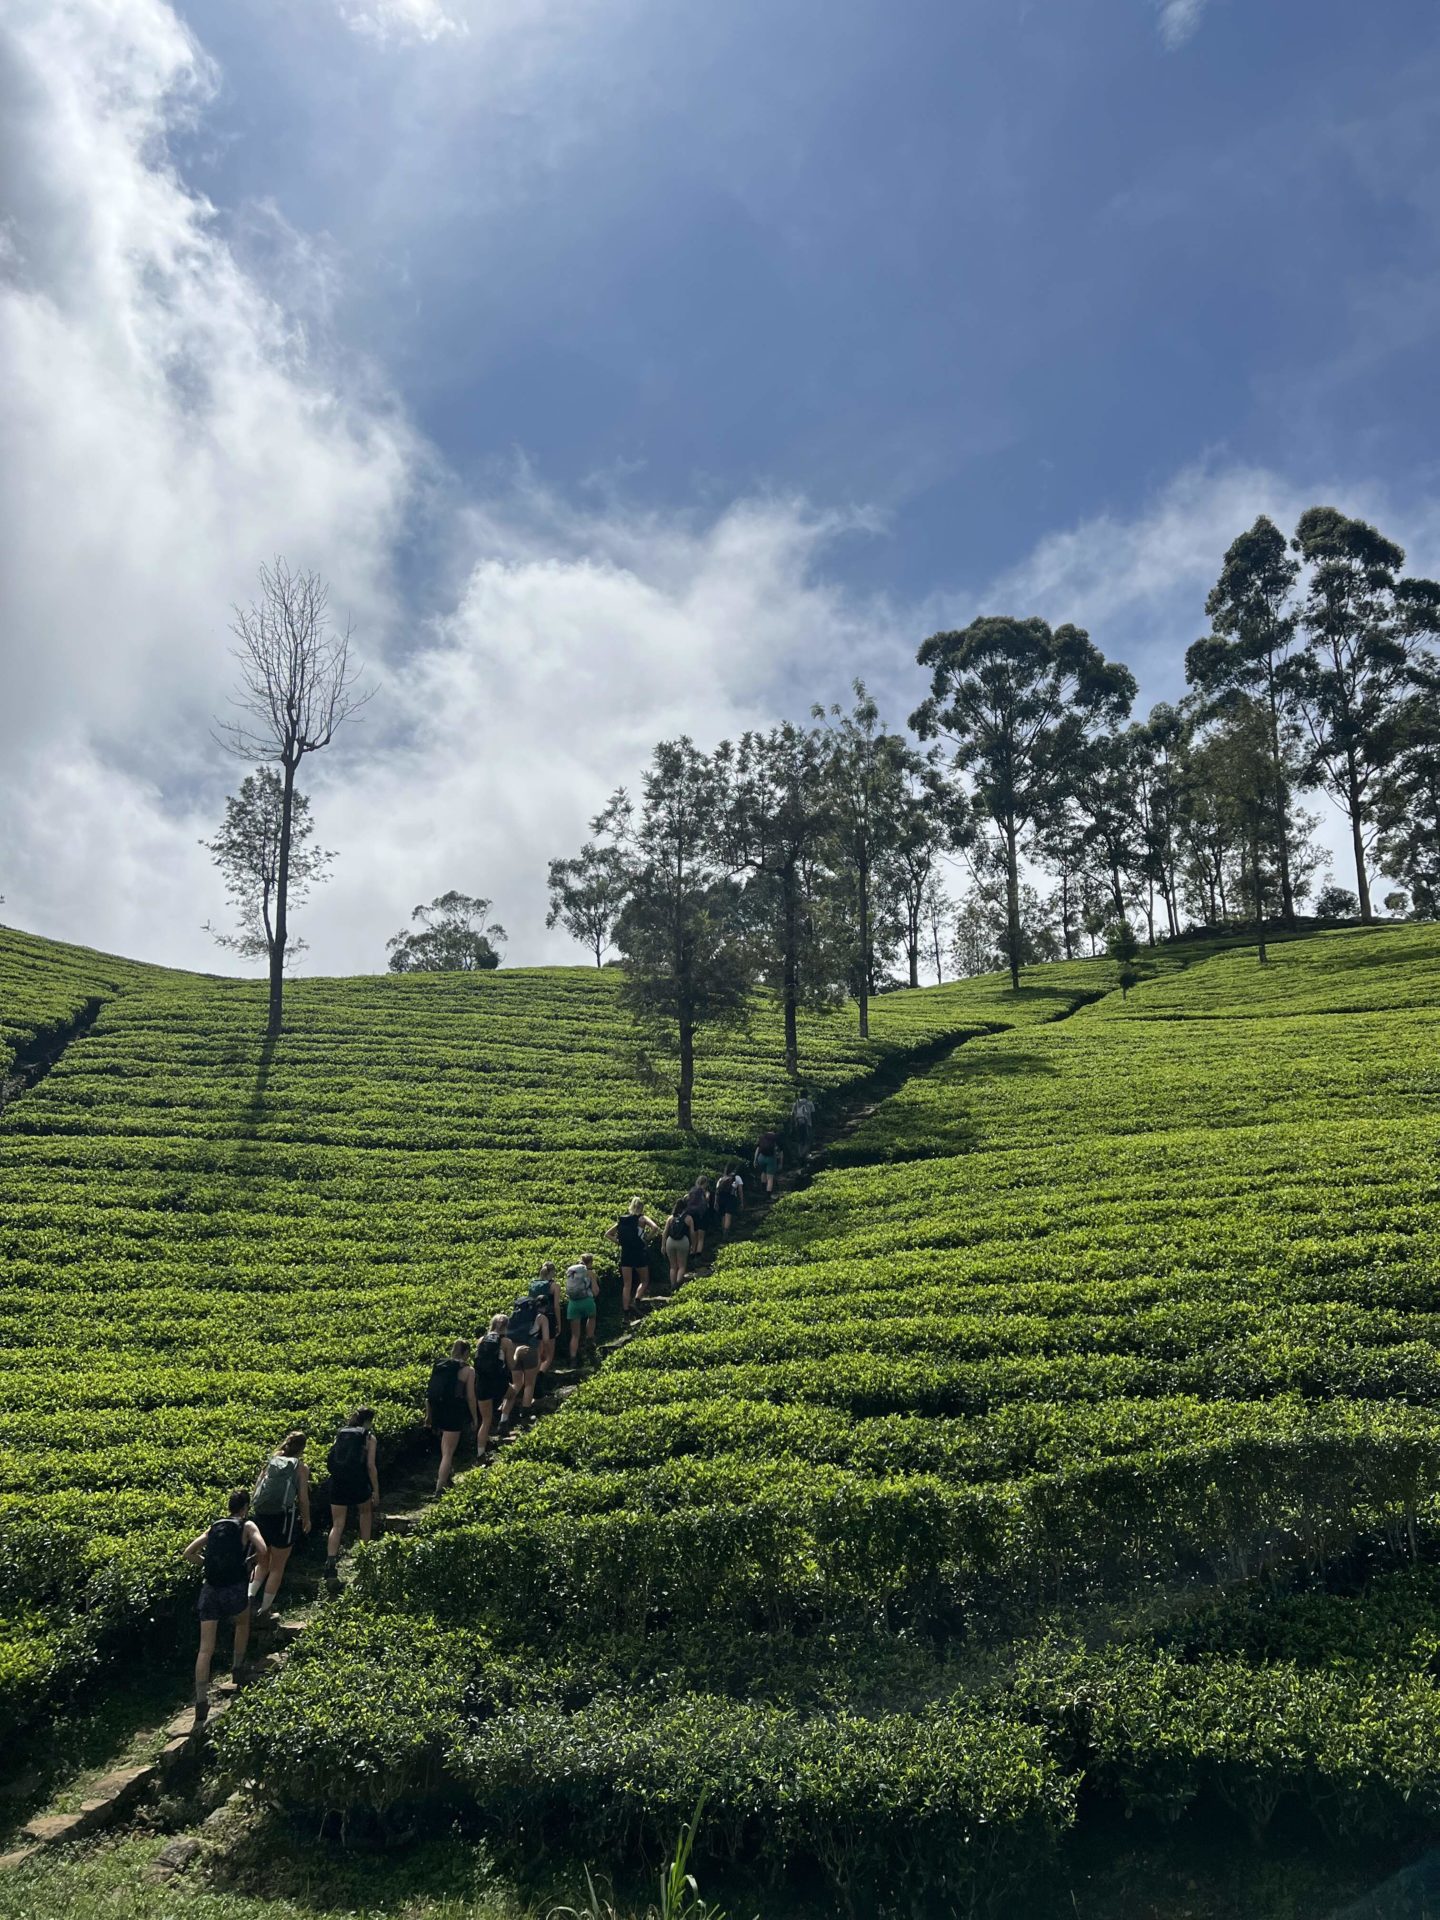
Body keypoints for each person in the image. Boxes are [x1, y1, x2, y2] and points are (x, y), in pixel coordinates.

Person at [183, 1489, 268, 1723]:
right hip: (234, 1587)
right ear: (245, 1507)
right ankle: (237, 1668)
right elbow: (262, 1550)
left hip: (210, 1589)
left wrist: (207, 1564)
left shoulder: (214, 1526)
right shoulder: (247, 1526)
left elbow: (188, 1553)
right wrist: (248, 1563)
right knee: (242, 1622)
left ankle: (201, 1701)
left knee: (204, 1649)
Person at [249, 1430, 310, 1618]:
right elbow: (303, 1498)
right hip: (284, 1518)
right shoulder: (300, 1467)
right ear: (302, 1448)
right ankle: (265, 1610)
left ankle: (248, 1599)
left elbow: (258, 1485)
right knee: (277, 1566)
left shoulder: (272, 1460)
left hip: (262, 1515)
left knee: (262, 1561)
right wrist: (307, 1519)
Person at [324, 1407, 379, 1580]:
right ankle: (364, 1555)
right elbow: (370, 1466)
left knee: (337, 1524)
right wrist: (376, 1489)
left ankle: (331, 1561)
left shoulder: (341, 1434)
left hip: (338, 1482)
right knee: (365, 1513)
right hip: (359, 1482)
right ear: (368, 1420)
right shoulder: (369, 1437)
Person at [427, 1339, 478, 1495]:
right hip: (453, 1411)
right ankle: (439, 1487)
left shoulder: (441, 1365)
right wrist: (475, 1417)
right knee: (449, 1452)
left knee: (445, 1447)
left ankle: (447, 1478)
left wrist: (429, 1415)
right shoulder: (468, 1370)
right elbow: (470, 1397)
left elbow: (429, 1393)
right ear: (466, 1352)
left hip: (438, 1409)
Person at [500, 1292, 545, 1427]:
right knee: (530, 1383)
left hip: (514, 1350)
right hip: (529, 1349)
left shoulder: (512, 1318)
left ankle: (503, 1419)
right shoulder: (538, 1317)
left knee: (516, 1384)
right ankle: (525, 1414)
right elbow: (545, 1338)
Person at [608, 1198, 659, 1311]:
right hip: (639, 1252)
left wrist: (619, 1242)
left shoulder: (624, 1220)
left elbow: (608, 1234)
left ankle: (626, 1311)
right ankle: (636, 1300)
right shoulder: (642, 1218)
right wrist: (647, 1238)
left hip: (626, 1253)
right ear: (642, 1207)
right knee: (645, 1281)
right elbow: (655, 1227)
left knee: (627, 1284)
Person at [473, 1312, 510, 1453]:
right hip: (498, 1383)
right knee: (512, 1394)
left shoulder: (481, 1340)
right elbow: (511, 1366)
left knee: (486, 1420)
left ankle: (480, 1454)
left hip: (482, 1384)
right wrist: (517, 1353)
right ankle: (504, 1421)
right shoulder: (506, 1342)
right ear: (506, 1327)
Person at [565, 1254, 598, 1362]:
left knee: (575, 1335)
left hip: (573, 1304)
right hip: (587, 1301)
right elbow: (595, 1292)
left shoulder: (572, 1273)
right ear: (591, 1262)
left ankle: (573, 1359)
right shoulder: (590, 1273)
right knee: (592, 1317)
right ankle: (590, 1340)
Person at [527, 1264, 560, 1374]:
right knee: (549, 1354)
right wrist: (558, 1323)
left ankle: (535, 1375)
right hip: (549, 1318)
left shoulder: (533, 1284)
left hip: (534, 1318)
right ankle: (540, 1377)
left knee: (539, 1351)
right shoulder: (554, 1286)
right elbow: (556, 1306)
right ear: (552, 1272)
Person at [662, 1197, 694, 1289]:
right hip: (683, 1241)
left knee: (673, 1266)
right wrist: (693, 1245)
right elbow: (692, 1233)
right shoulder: (688, 1218)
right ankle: (677, 1285)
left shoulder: (670, 1218)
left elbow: (665, 1232)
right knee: (682, 1266)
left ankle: (672, 1285)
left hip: (670, 1241)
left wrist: (663, 1245)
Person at [686, 1178, 713, 1257]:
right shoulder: (705, 1192)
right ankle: (698, 1254)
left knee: (693, 1234)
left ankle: (692, 1251)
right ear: (705, 1183)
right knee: (701, 1237)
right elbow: (707, 1200)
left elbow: (687, 1199)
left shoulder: (692, 1190)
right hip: (702, 1214)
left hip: (692, 1214)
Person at [715, 1166, 744, 1232]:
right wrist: (741, 1202)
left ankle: (723, 1232)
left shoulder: (721, 1178)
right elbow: (740, 1191)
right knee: (728, 1215)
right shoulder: (737, 1177)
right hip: (731, 1197)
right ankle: (726, 1233)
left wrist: (716, 1202)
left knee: (723, 1215)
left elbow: (717, 1191)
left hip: (721, 1197)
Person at [754, 1128, 782, 1196]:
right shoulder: (776, 1137)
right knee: (770, 1178)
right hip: (771, 1158)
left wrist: (755, 1159)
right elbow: (780, 1151)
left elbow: (757, 1148)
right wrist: (780, 1162)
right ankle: (768, 1195)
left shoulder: (762, 1136)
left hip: (761, 1157)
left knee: (763, 1172)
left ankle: (763, 1190)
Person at [790, 1088, 817, 1157]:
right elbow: (813, 1115)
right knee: (807, 1140)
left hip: (798, 1124)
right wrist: (814, 1125)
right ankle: (804, 1154)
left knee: (800, 1140)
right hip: (807, 1124)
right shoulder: (809, 1103)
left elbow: (792, 1115)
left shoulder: (796, 1103)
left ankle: (800, 1153)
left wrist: (793, 1125)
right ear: (806, 1095)